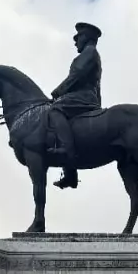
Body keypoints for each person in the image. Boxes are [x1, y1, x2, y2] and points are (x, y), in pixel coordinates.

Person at [47, 21, 102, 189]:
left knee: (55, 110)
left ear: (86, 38)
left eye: (77, 37)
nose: (75, 41)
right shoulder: (90, 53)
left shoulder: (89, 52)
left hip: (83, 97)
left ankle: (66, 150)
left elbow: (76, 76)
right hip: (84, 97)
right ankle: (70, 175)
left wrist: (57, 92)